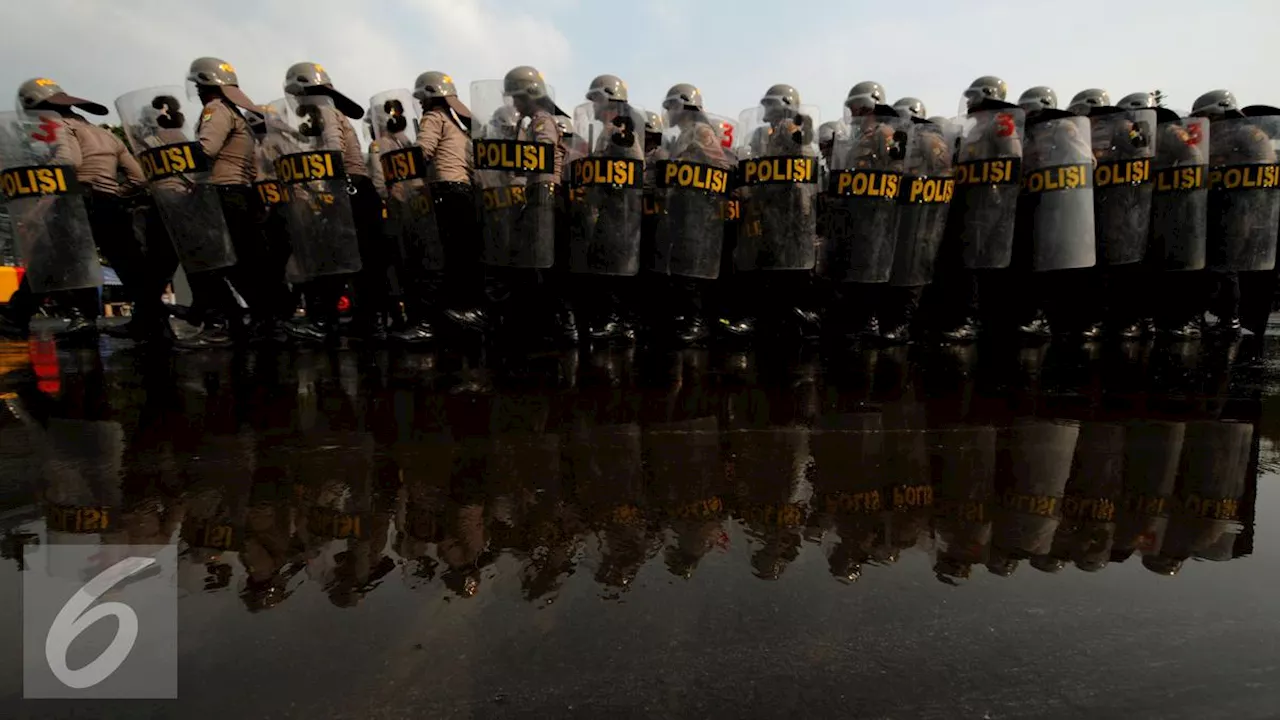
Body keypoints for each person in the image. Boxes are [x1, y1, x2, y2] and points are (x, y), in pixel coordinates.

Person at [3, 78, 162, 342]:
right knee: (130, 267)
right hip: (110, 203)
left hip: (78, 200)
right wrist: (112, 193)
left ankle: (16, 318)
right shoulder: (106, 134)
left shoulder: (56, 124)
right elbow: (140, 178)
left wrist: (40, 204)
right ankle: (152, 322)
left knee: (47, 259)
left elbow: (69, 161)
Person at [278, 62, 388, 344]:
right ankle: (369, 323)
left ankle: (325, 322)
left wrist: (324, 186)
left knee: (338, 258)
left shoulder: (324, 111)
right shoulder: (332, 111)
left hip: (347, 188)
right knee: (364, 260)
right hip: (357, 190)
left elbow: (332, 150)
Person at [177, 57, 280, 349]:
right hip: (240, 193)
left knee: (214, 263)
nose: (196, 90)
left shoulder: (216, 110)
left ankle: (229, 322)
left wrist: (173, 160)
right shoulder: (238, 115)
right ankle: (262, 321)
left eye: (199, 84)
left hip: (220, 193)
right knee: (243, 263)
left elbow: (206, 149)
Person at [384, 71, 485, 345]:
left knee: (434, 260)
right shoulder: (461, 128)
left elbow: (422, 153)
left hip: (442, 193)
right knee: (459, 260)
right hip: (464, 194)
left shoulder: (434, 117)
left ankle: (426, 323)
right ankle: (461, 317)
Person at [922, 75, 1021, 343]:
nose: (968, 104)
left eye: (972, 97)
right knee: (965, 259)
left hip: (989, 200)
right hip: (970, 199)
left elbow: (1012, 159)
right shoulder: (974, 129)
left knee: (977, 261)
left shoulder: (1002, 122)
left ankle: (973, 321)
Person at [723, 83, 820, 343]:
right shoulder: (766, 133)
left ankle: (798, 319)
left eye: (770, 104)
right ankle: (771, 320)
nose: (765, 109)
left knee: (786, 268)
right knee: (765, 263)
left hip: (789, 210)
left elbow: (798, 165)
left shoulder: (794, 131)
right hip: (768, 209)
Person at [647, 83, 734, 346]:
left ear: (683, 105)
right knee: (682, 265)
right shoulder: (684, 134)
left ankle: (699, 323)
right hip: (682, 209)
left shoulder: (701, 131)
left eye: (671, 106)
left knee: (693, 267)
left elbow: (721, 167)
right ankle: (687, 319)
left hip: (697, 211)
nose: (668, 111)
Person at [566, 74, 646, 344]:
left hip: (619, 208)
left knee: (614, 263)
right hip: (613, 207)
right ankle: (618, 320)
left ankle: (619, 322)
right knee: (608, 261)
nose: (593, 105)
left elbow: (633, 167)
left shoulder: (620, 128)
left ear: (609, 98)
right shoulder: (612, 129)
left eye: (596, 99)